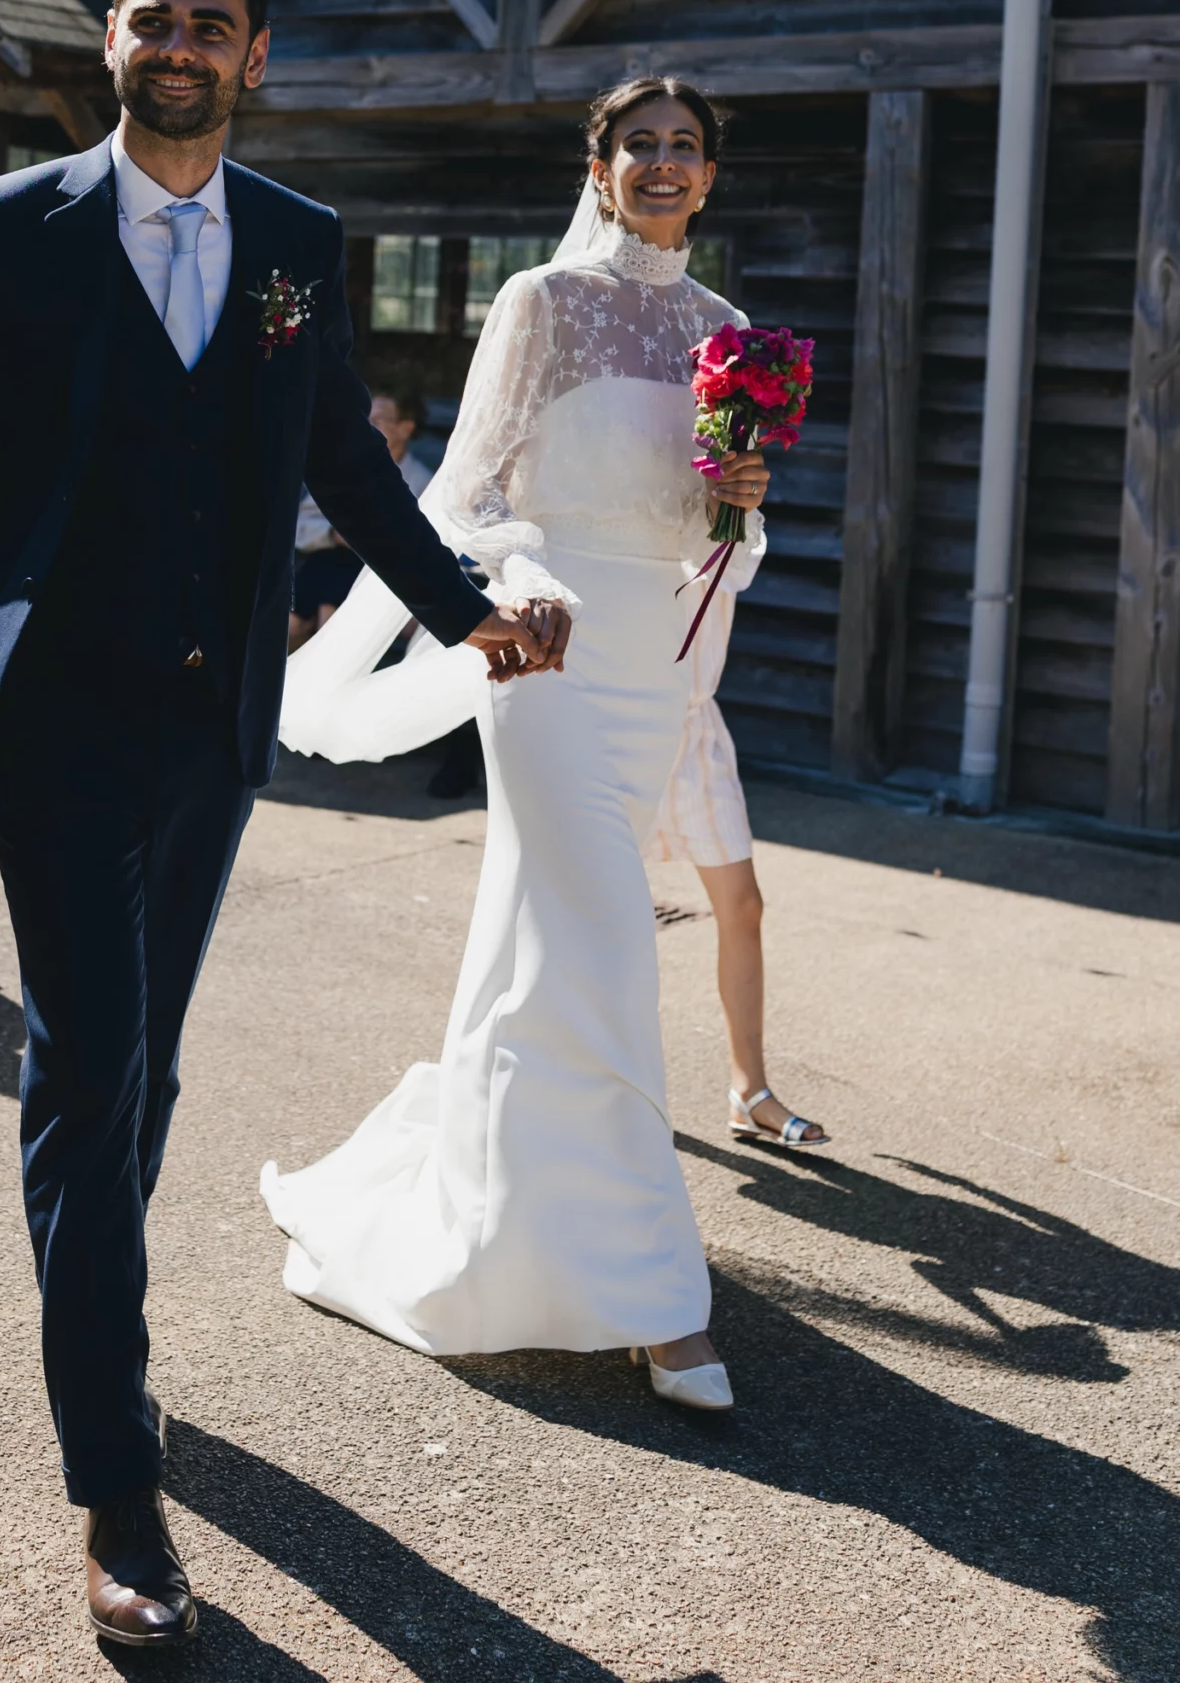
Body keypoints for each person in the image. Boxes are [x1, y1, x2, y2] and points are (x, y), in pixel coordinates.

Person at [0, 0, 562, 1651]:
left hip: (210, 733)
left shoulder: (299, 244)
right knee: (94, 1073)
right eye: (152, 17)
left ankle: (92, 1298)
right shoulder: (6, 231)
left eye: (210, 23)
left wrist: (465, 616)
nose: (179, 43)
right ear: (109, 39)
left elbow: (351, 477)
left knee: (134, 1070)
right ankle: (116, 1485)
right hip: (53, 726)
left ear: (257, 56)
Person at [266, 77, 767, 1413]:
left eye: (683, 149)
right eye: (637, 146)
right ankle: (661, 1301)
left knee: (539, 953)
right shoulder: (537, 305)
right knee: (607, 934)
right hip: (543, 652)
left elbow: (719, 548)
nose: (660, 166)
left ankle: (506, 1206)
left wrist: (738, 503)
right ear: (596, 165)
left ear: (707, 176)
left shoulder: (726, 333)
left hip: (656, 664)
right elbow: (469, 496)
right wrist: (515, 577)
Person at [645, 585, 828, 1150]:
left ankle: (749, 1093)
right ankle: (615, 1090)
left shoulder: (728, 496)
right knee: (606, 911)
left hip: (696, 724)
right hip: (617, 723)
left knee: (744, 906)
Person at [290, 390, 429, 648]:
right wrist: (332, 534)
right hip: (327, 559)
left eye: (378, 421)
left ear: (405, 428)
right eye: (364, 418)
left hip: (379, 575)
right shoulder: (344, 467)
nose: (366, 427)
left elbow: (422, 543)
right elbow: (300, 526)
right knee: (289, 624)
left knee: (330, 613)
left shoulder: (422, 481)